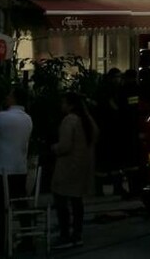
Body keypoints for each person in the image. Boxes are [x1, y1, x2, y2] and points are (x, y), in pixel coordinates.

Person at [0, 86, 33, 257]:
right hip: (20, 168)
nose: (6, 97)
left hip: (2, 169)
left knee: (2, 207)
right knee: (21, 204)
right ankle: (28, 239)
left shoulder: (1, 117)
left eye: (9, 95)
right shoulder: (28, 119)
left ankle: (4, 241)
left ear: (14, 99)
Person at [51, 91, 99, 249]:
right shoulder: (87, 119)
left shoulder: (69, 120)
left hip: (67, 166)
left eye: (64, 102)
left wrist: (54, 148)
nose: (61, 105)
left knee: (61, 200)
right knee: (77, 201)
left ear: (70, 104)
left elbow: (65, 145)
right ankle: (77, 233)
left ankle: (65, 234)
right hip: (82, 165)